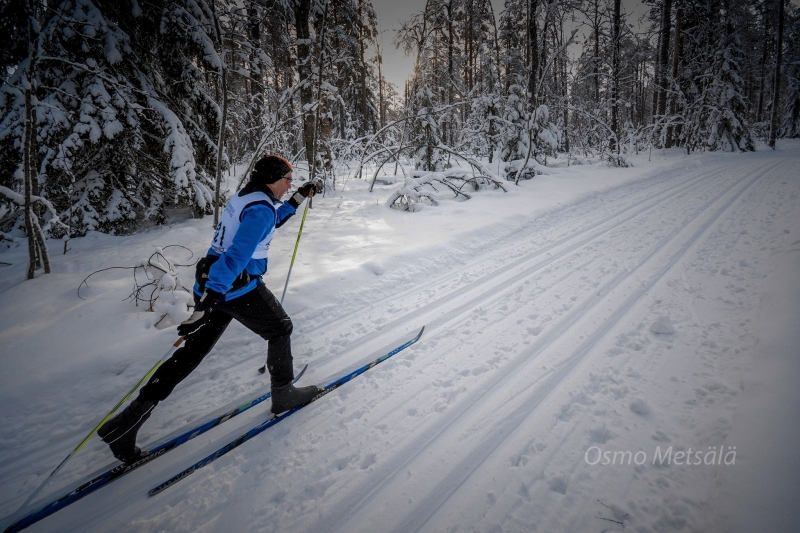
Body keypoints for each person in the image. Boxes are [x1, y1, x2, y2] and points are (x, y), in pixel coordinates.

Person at [98, 154, 320, 464]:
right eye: (288, 180)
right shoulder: (260, 210)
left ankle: (126, 423)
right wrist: (212, 300)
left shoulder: (249, 198)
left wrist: (295, 200)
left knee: (190, 354)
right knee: (280, 328)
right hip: (233, 288)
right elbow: (236, 257)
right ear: (274, 179)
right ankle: (283, 394)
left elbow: (267, 222)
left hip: (212, 283)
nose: (290, 184)